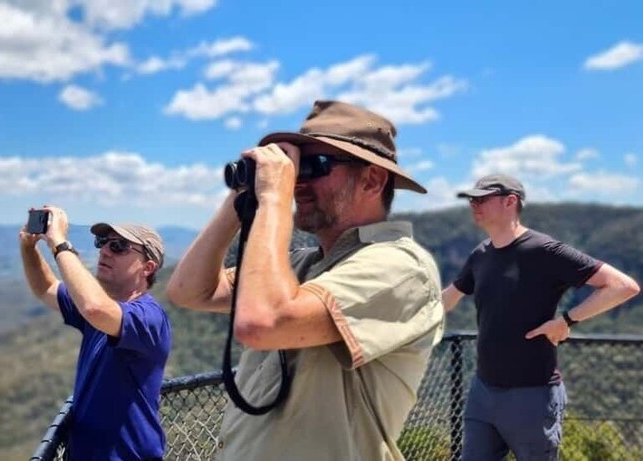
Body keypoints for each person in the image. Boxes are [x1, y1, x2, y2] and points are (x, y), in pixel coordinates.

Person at [166, 100, 445, 460]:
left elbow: (262, 323)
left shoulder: (402, 267)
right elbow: (189, 291)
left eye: (315, 166)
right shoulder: (298, 267)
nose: (297, 183)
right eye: (295, 170)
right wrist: (241, 196)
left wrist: (273, 199)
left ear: (373, 179)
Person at [442, 174, 640, 460]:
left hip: (532, 396)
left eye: (481, 199)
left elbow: (623, 286)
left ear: (510, 201)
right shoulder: (481, 255)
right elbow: (446, 300)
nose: (474, 205)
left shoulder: (544, 250)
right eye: (472, 199)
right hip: (483, 391)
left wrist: (567, 321)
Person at [19, 206, 172, 461]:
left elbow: (94, 308)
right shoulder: (106, 308)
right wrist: (28, 248)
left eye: (119, 246)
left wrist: (59, 242)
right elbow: (46, 287)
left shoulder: (149, 318)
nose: (104, 250)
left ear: (147, 267)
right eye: (102, 242)